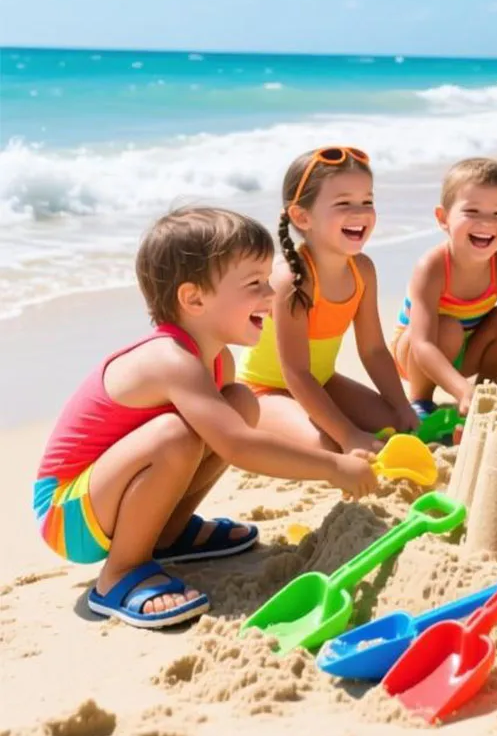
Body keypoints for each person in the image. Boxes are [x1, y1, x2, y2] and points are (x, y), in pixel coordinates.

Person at [34, 207, 378, 629]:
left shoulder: (218, 363)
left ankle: (166, 534)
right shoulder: (168, 359)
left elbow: (228, 434)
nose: (271, 296)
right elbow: (237, 446)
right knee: (176, 435)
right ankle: (119, 574)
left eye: (268, 280)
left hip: (105, 497)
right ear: (194, 298)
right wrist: (333, 466)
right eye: (254, 284)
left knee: (239, 404)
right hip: (66, 515)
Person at [239, 147, 419, 454]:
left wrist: (402, 406)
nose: (360, 212)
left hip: (321, 382)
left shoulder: (362, 270)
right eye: (343, 203)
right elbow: (296, 373)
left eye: (367, 201)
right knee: (331, 446)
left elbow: (373, 350)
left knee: (393, 424)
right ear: (302, 216)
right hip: (264, 392)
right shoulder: (292, 281)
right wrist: (348, 435)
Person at [392, 157, 497, 417]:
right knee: (448, 328)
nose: (486, 223)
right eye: (472, 212)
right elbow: (422, 344)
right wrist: (461, 390)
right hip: (416, 355)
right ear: (443, 218)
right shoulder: (431, 268)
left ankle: (486, 392)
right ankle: (421, 402)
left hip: (468, 352)